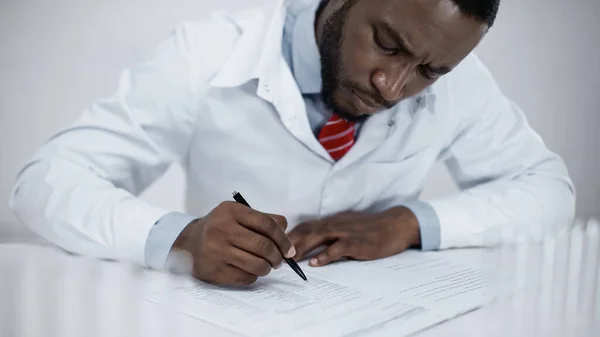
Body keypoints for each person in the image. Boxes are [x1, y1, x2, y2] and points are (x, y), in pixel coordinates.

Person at [9, 0, 575, 286]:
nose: (394, 86)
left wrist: (411, 223)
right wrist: (181, 237)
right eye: (386, 44)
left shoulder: (460, 84)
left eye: (430, 71)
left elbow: (549, 190)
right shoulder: (207, 53)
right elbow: (46, 181)